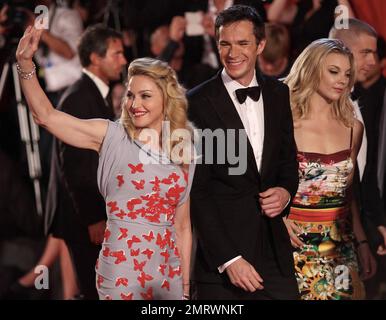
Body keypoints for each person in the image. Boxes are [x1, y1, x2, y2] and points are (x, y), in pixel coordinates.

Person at [16, 24, 194, 300]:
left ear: (166, 99)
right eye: (131, 95)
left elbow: (182, 226)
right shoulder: (110, 134)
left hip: (167, 275)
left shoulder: (182, 147)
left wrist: (183, 284)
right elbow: (46, 116)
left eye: (145, 96)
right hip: (122, 272)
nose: (135, 103)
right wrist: (25, 63)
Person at [187, 5, 299, 300]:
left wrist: (285, 192)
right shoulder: (197, 103)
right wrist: (229, 259)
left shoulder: (278, 93)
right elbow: (197, 192)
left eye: (242, 43)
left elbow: (288, 160)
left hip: (275, 252)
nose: (232, 53)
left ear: (260, 45)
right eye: (225, 43)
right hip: (222, 264)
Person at [284, 38, 376, 300]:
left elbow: (348, 195)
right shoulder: (285, 121)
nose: (343, 80)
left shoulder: (353, 128)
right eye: (333, 71)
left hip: (339, 247)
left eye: (348, 74)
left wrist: (362, 242)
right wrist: (278, 218)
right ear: (312, 70)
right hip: (294, 244)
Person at [44, 24, 127, 300]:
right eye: (116, 54)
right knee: (95, 291)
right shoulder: (80, 97)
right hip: (83, 218)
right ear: (95, 57)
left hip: (88, 215)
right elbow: (77, 165)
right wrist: (94, 218)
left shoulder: (93, 93)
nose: (123, 61)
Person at [329, 19, 386, 262]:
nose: (373, 62)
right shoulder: (319, 103)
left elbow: (359, 176)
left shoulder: (353, 103)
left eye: (374, 53)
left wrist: (374, 225)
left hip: (351, 229)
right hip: (318, 232)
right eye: (365, 53)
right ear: (341, 49)